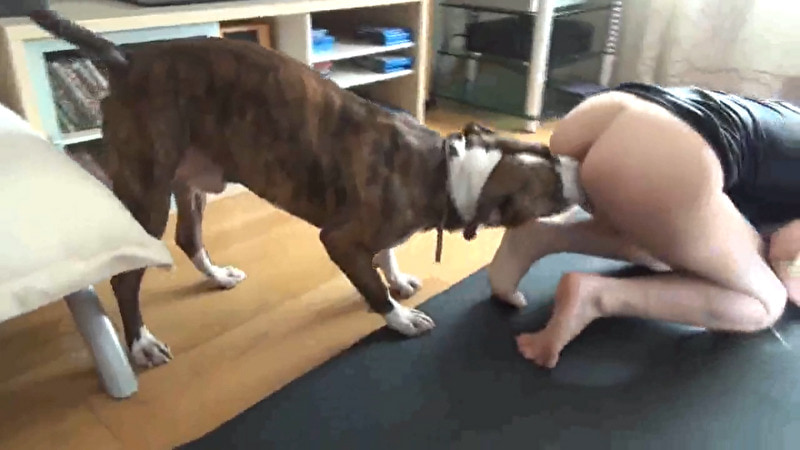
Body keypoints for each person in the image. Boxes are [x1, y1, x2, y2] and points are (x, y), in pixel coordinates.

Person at [487, 81, 800, 369]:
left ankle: (541, 236)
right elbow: (785, 253)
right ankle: (596, 298)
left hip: (598, 118)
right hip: (656, 158)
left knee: (683, 247)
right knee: (765, 301)